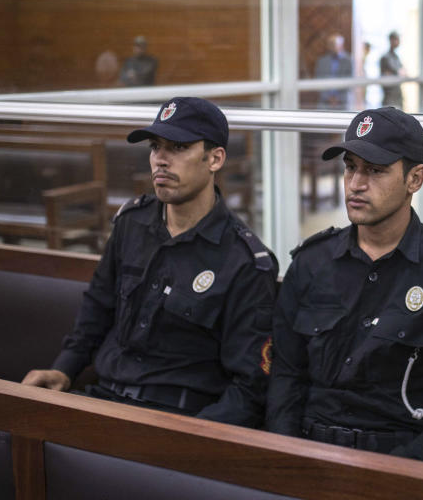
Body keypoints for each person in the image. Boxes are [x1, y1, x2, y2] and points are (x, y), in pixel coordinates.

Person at [22, 97, 278, 427]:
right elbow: (97, 308)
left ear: (215, 159)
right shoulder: (132, 223)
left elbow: (250, 387)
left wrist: (196, 437)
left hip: (177, 419)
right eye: (156, 147)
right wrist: (64, 368)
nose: (161, 160)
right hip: (104, 399)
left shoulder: (244, 261)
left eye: (178, 147)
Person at [266, 107, 423, 467]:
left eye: (375, 171)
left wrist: (397, 473)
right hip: (307, 451)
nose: (356, 184)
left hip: (399, 460)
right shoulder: (311, 263)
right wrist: (285, 458)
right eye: (350, 167)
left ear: (415, 179)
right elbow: (286, 374)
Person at [312, 33, 353, 109]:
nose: (332, 46)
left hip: (343, 102)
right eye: (330, 44)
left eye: (334, 44)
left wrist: (338, 98)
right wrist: (328, 98)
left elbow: (350, 82)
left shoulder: (349, 61)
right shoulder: (322, 61)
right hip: (325, 102)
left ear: (341, 45)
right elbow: (318, 80)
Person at [379, 31, 404, 108]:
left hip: (397, 94)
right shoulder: (386, 57)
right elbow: (398, 71)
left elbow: (402, 72)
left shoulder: (396, 57)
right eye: (397, 39)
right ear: (391, 40)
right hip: (390, 96)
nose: (398, 42)